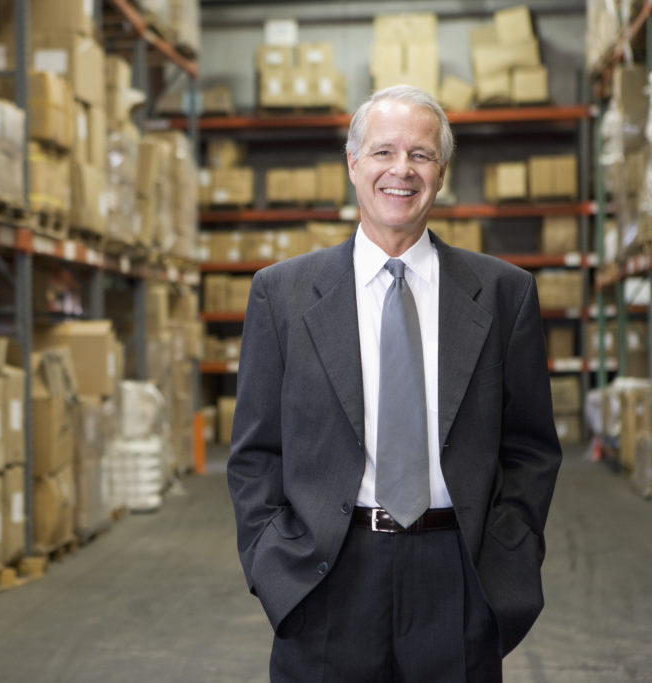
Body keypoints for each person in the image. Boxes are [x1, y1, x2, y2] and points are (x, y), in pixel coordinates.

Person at [226, 85, 562, 682]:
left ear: (442, 172)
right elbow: (255, 451)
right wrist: (274, 566)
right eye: (382, 152)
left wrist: (509, 559)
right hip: (326, 576)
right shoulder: (282, 294)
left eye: (421, 154)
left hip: (458, 575)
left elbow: (531, 448)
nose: (400, 170)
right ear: (353, 164)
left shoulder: (506, 294)